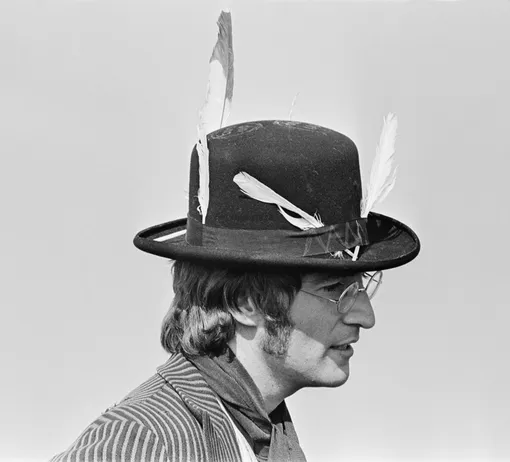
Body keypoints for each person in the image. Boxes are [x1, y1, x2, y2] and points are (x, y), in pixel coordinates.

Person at [50, 118, 420, 462]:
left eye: (362, 286)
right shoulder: (143, 446)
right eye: (336, 288)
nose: (365, 316)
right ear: (246, 303)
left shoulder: (263, 432)